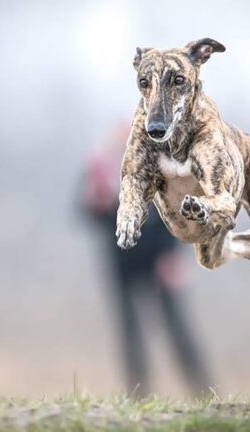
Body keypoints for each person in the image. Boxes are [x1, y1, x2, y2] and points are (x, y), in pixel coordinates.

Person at [80, 121, 212, 397]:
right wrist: (97, 204)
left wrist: (174, 255)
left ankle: (203, 390)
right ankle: (137, 393)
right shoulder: (99, 168)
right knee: (130, 332)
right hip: (122, 263)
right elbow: (87, 213)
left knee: (177, 328)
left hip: (159, 260)